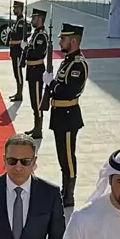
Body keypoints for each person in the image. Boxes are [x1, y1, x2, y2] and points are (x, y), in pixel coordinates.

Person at [41, 22, 88, 213]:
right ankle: (64, 190)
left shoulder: (78, 64)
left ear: (74, 41)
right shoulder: (67, 61)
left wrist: (51, 84)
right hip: (60, 115)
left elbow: (68, 91)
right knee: (62, 156)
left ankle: (69, 195)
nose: (61, 42)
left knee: (68, 158)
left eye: (64, 39)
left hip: (68, 117)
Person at [22, 6, 48, 139]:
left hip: (37, 71)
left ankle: (39, 129)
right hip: (32, 71)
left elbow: (37, 53)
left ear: (40, 19)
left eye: (34, 18)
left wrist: (26, 49)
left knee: (37, 102)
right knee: (34, 101)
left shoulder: (41, 35)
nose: (32, 20)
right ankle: (36, 126)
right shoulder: (36, 34)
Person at [8, 0, 26, 102]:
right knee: (16, 73)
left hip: (18, 51)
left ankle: (20, 94)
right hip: (14, 50)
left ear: (21, 9)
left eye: (16, 8)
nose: (14, 10)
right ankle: (18, 92)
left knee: (18, 73)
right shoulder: (17, 21)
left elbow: (18, 35)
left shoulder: (21, 22)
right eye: (14, 8)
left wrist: (10, 32)